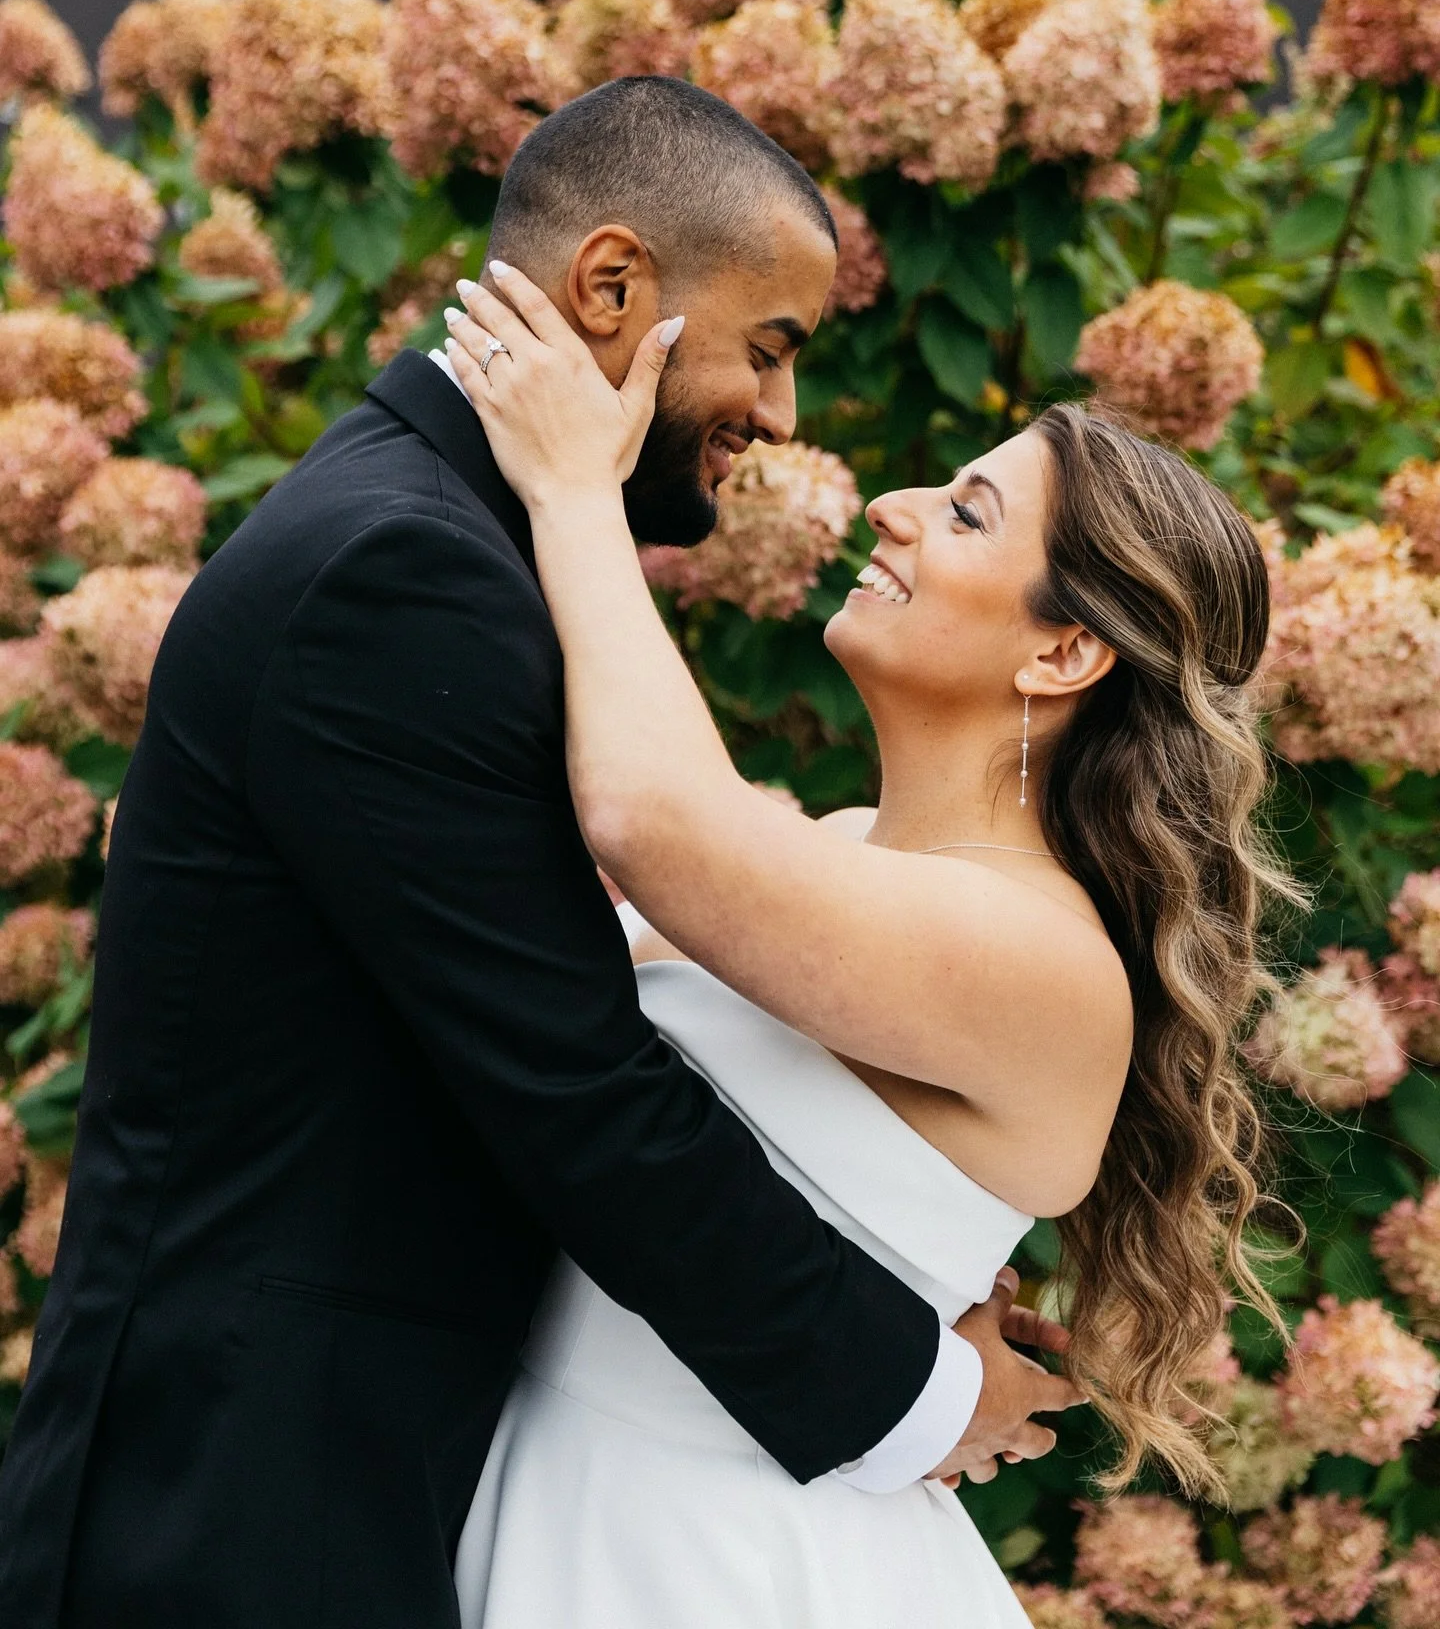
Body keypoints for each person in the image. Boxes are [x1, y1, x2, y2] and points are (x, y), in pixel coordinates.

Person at [0, 79, 1077, 1629]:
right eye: (768, 348)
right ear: (615, 287)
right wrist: (910, 1390)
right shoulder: (403, 575)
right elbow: (573, 1088)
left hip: (360, 1474)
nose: (779, 418)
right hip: (242, 1502)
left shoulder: (441, 545)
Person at [441, 259, 1296, 1627]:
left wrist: (571, 489)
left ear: (1063, 656)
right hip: (558, 1484)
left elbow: (650, 817)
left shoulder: (1045, 962)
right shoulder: (833, 842)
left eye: (966, 512)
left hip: (719, 1563)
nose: (893, 509)